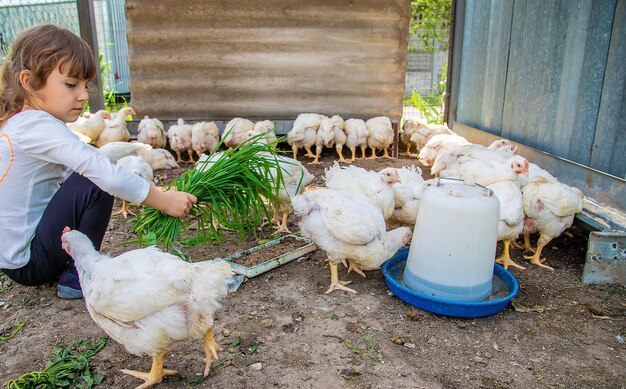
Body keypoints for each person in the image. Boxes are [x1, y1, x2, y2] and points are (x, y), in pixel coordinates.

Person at [0, 24, 197, 298]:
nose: (82, 95)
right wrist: (163, 200)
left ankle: (69, 260)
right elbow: (106, 174)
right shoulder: (36, 125)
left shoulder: (19, 124)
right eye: (71, 85)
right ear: (28, 81)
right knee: (96, 179)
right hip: (31, 261)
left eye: (85, 85)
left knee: (85, 175)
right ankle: (78, 275)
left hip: (16, 257)